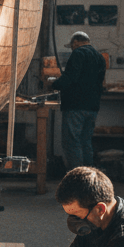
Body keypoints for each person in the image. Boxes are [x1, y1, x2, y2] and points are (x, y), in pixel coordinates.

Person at [52, 31, 106, 171]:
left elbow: (70, 78)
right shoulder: (100, 57)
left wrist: (53, 84)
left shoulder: (78, 53)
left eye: (71, 46)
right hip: (92, 107)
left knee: (72, 142)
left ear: (75, 42)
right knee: (85, 142)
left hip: (76, 106)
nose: (72, 48)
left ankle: (77, 177)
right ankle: (88, 176)